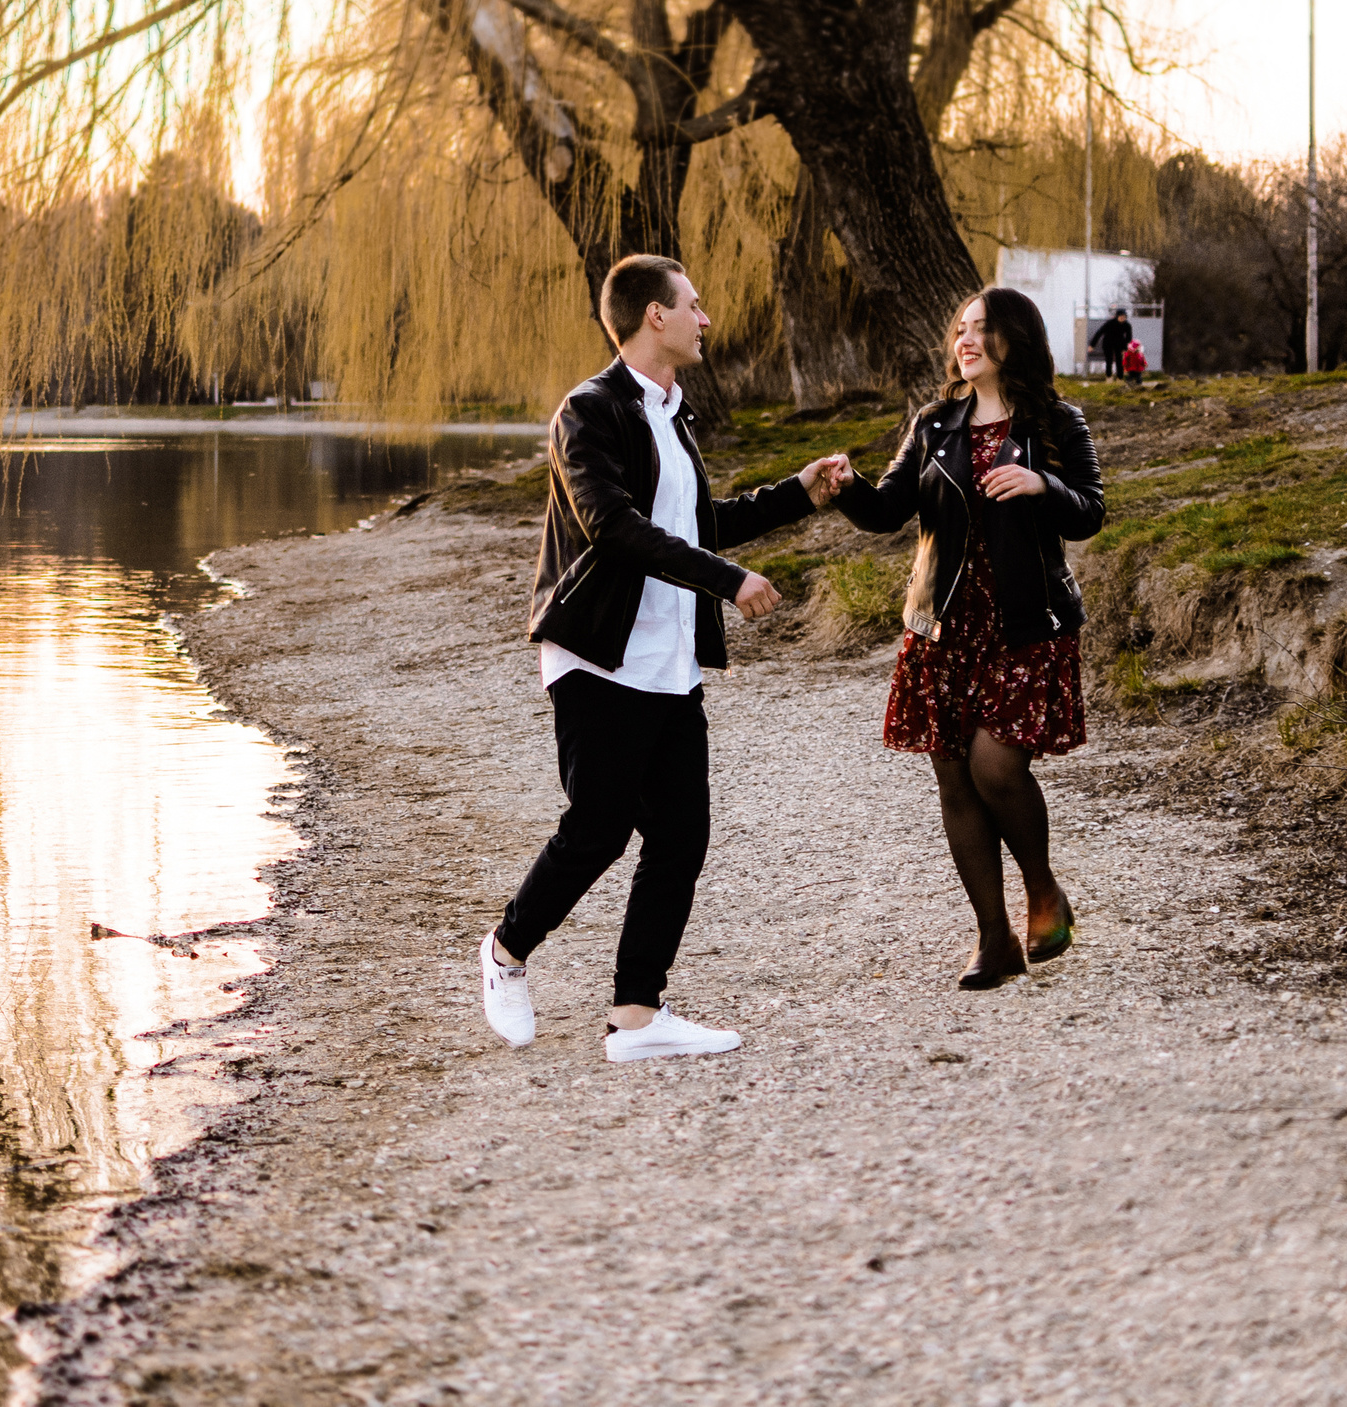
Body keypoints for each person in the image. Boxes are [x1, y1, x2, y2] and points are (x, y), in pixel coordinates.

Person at [480, 253, 847, 1060]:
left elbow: (691, 522)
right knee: (598, 829)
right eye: (694, 303)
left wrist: (799, 492)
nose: (705, 318)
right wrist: (729, 581)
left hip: (668, 663)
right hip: (598, 656)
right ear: (654, 315)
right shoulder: (588, 410)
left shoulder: (672, 412)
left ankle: (636, 1015)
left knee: (681, 835)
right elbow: (614, 526)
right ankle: (505, 952)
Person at [827, 287, 1107, 988]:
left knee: (996, 766)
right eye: (960, 328)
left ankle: (1043, 891)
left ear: (1015, 336)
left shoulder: (1056, 422)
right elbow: (890, 509)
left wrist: (1043, 482)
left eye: (982, 327)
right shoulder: (934, 424)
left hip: (1024, 625)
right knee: (953, 774)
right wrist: (848, 486)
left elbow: (1091, 513)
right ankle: (994, 938)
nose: (967, 339)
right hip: (942, 627)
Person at [1087, 308, 1132, 379]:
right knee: (1109, 360)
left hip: (1119, 344)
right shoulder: (1110, 323)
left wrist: (1124, 348)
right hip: (1108, 343)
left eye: (1124, 317)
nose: (1122, 318)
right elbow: (1099, 333)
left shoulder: (1127, 325)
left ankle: (1119, 377)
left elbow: (1128, 338)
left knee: (1119, 360)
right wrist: (1092, 345)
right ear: (1117, 316)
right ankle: (1109, 376)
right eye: (1121, 317)